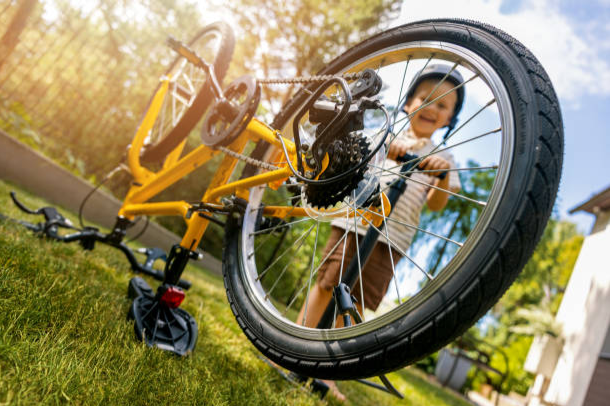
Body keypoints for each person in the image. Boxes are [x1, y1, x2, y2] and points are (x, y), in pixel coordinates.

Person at [296, 64, 465, 401]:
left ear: (449, 120)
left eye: (443, 105)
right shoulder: (388, 135)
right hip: (356, 222)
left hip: (393, 240)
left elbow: (436, 205)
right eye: (426, 98)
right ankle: (295, 344)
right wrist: (389, 150)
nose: (432, 107)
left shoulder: (444, 156)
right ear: (408, 103)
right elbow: (358, 159)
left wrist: (442, 175)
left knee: (354, 303)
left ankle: (327, 372)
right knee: (329, 282)